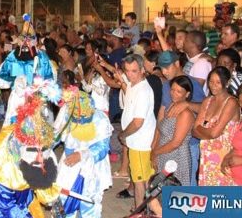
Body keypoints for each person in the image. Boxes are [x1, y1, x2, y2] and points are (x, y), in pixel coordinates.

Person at [54, 87, 112, 218]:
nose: (79, 121)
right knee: (64, 199)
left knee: (89, 203)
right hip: (69, 164)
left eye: (82, 118)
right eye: (76, 117)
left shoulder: (101, 119)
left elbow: (102, 148)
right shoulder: (67, 112)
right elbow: (56, 135)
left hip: (92, 167)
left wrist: (81, 155)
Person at [118, 54, 156, 209]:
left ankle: (140, 211)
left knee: (141, 182)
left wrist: (123, 134)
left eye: (134, 71)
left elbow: (138, 122)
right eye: (127, 70)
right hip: (135, 141)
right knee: (139, 177)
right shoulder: (133, 84)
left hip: (141, 142)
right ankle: (143, 210)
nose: (129, 74)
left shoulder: (143, 91)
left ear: (142, 70)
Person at [193, 67, 239, 186]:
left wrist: (201, 129)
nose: (213, 85)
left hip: (223, 158)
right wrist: (206, 130)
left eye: (218, 82)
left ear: (227, 83)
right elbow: (194, 131)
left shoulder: (231, 102)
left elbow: (215, 133)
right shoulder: (207, 101)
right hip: (206, 158)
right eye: (211, 81)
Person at [151, 75, 194, 186]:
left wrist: (155, 152)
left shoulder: (185, 114)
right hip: (164, 153)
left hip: (177, 158)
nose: (174, 93)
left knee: (175, 190)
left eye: (179, 91)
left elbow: (176, 143)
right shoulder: (171, 106)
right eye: (172, 89)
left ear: (187, 94)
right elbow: (161, 130)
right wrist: (155, 151)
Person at [183, 31, 211, 95]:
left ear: (193, 44)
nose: (183, 42)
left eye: (186, 40)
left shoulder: (201, 63)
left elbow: (197, 90)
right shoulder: (193, 59)